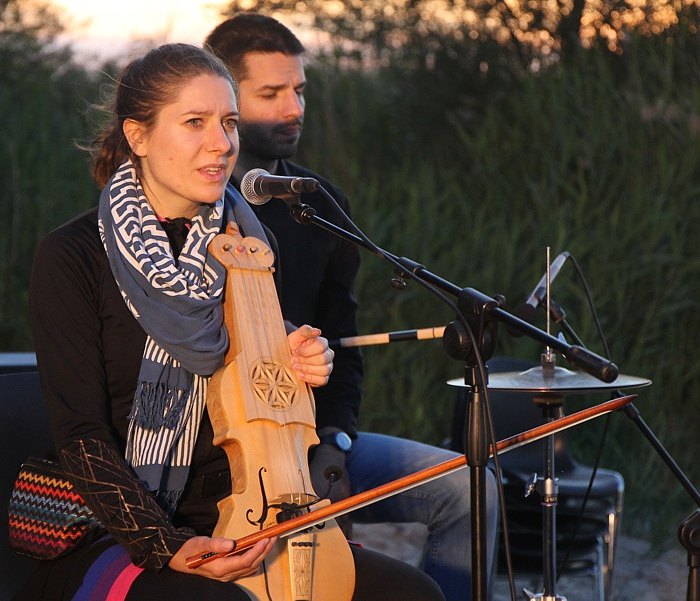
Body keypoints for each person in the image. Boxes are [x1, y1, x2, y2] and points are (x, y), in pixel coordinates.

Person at [21, 43, 444, 600]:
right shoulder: (73, 256)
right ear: (138, 136)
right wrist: (166, 544)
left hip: (252, 514)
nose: (222, 143)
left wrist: (300, 360)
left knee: (414, 594)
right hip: (121, 527)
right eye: (195, 122)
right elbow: (81, 437)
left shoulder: (249, 246)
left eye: (229, 123)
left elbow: (264, 394)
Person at [205, 14, 499, 601]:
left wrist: (336, 440)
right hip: (226, 452)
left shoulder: (320, 205)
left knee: (473, 488)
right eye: (271, 93)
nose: (294, 108)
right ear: (225, 103)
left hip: (315, 443)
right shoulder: (191, 204)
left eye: (299, 90)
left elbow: (343, 342)